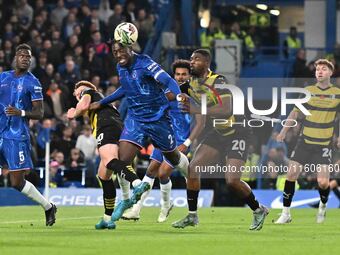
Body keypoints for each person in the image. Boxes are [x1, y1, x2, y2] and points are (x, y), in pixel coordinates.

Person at [90, 41, 190, 221]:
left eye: (121, 50)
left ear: (130, 49)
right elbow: (125, 89)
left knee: (173, 158)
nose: (118, 54)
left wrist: (179, 95)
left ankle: (189, 173)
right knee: (122, 160)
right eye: (115, 51)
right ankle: (127, 201)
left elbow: (167, 80)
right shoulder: (120, 67)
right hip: (136, 119)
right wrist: (103, 101)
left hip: (158, 118)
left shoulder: (145, 62)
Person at [171, 49, 268, 230]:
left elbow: (226, 109)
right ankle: (192, 216)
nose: (192, 62)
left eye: (196, 60)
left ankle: (258, 209)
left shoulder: (219, 81)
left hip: (238, 130)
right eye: (191, 59)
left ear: (207, 64)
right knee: (193, 169)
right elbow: (170, 94)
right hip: (219, 132)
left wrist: (195, 110)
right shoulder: (190, 83)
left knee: (232, 180)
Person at [122, 59, 204, 222]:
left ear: (189, 76)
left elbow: (201, 122)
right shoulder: (167, 91)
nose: (180, 77)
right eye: (178, 74)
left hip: (180, 140)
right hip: (164, 136)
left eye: (184, 74)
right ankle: (137, 210)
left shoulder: (194, 94)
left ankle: (184, 208)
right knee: (151, 170)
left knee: (164, 172)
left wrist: (187, 143)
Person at [67, 80, 148, 229]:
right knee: (103, 175)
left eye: (77, 90)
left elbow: (83, 106)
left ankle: (138, 184)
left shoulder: (89, 93)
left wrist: (74, 113)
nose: (76, 93)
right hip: (117, 126)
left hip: (107, 126)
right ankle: (107, 218)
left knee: (110, 161)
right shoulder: (102, 101)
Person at [275, 59, 340, 224]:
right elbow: (295, 113)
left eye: (324, 69)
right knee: (291, 175)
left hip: (324, 145)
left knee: (323, 182)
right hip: (304, 142)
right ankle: (286, 213)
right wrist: (283, 131)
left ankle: (323, 206)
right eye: (317, 69)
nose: (319, 72)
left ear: (331, 73)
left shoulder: (337, 93)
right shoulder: (308, 91)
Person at [0, 43, 56, 226]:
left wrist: (21, 113)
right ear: (15, 57)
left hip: (16, 136)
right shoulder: (3, 77)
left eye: (28, 57)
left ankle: (48, 207)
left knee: (16, 182)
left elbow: (39, 113)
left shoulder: (33, 82)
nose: (25, 58)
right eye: (22, 55)